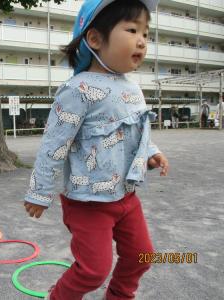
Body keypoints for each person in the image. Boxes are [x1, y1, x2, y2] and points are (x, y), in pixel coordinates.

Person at [23, 1, 169, 299]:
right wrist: (39, 192)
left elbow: (137, 129)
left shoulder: (133, 87)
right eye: (131, 29)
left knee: (142, 255)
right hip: (88, 201)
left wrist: (151, 152)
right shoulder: (77, 89)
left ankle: (119, 296)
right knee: (93, 270)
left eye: (146, 32)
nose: (142, 40)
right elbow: (54, 144)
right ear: (95, 39)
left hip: (126, 196)